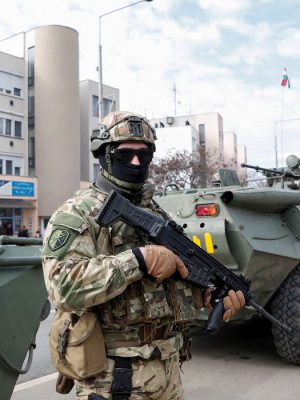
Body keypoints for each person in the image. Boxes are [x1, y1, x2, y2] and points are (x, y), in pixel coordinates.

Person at [42, 111, 245, 400]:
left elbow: (172, 286)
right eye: (125, 154)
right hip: (114, 378)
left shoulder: (156, 212)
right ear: (104, 155)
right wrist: (138, 259)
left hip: (168, 372)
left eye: (145, 154)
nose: (137, 163)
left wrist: (211, 297)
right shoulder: (78, 213)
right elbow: (61, 288)